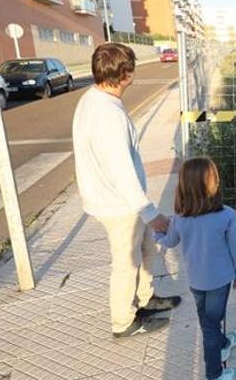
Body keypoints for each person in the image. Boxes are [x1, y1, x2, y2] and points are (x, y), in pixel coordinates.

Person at [72, 43, 181, 338]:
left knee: (146, 250)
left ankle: (146, 299)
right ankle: (123, 322)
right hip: (119, 204)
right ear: (125, 73)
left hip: (120, 199)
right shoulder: (108, 114)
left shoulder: (92, 98)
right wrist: (149, 212)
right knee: (126, 263)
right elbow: (120, 169)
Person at [155, 156, 236, 380]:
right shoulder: (226, 215)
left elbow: (169, 242)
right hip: (220, 280)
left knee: (208, 320)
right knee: (210, 325)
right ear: (213, 182)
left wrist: (154, 232)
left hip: (195, 280)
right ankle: (215, 374)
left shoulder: (180, 216)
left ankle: (223, 343)